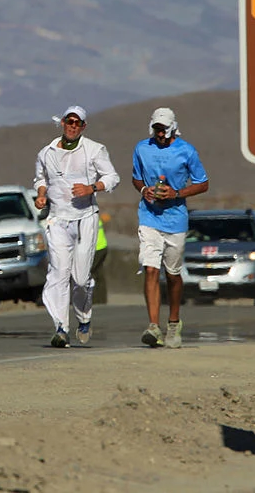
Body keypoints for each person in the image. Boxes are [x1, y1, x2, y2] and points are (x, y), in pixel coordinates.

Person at [34, 105, 119, 347]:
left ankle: (84, 318)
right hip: (58, 220)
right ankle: (61, 327)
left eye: (77, 123)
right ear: (62, 122)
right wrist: (41, 195)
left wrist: (91, 188)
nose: (72, 126)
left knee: (80, 279)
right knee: (59, 274)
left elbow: (112, 177)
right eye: (69, 121)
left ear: (83, 126)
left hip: (85, 218)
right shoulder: (46, 152)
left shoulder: (94, 150)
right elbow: (41, 178)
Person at [131, 107, 209, 349]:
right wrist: (145, 190)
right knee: (150, 268)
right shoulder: (142, 148)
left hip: (175, 220)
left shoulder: (186, 151)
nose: (160, 134)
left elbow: (203, 183)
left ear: (173, 128)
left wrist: (177, 193)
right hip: (149, 217)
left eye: (164, 129)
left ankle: (173, 321)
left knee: (173, 275)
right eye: (156, 129)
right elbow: (136, 177)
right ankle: (153, 326)